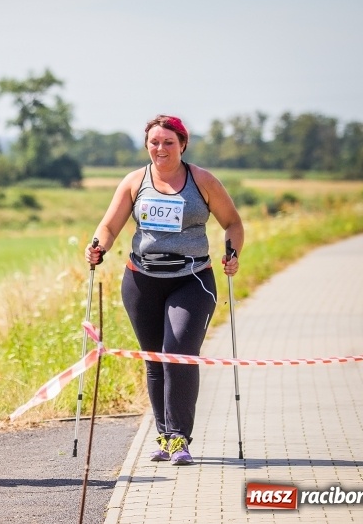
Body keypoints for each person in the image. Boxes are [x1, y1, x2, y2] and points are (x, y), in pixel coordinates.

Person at [85, 115, 244, 465]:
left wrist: (232, 252)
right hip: (142, 280)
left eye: (168, 142)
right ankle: (163, 434)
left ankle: (179, 438)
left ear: (182, 144)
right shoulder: (134, 181)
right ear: (147, 146)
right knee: (154, 359)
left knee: (179, 354)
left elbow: (232, 222)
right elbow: (110, 225)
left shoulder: (201, 180)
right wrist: (98, 245)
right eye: (154, 142)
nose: (161, 148)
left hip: (192, 279)